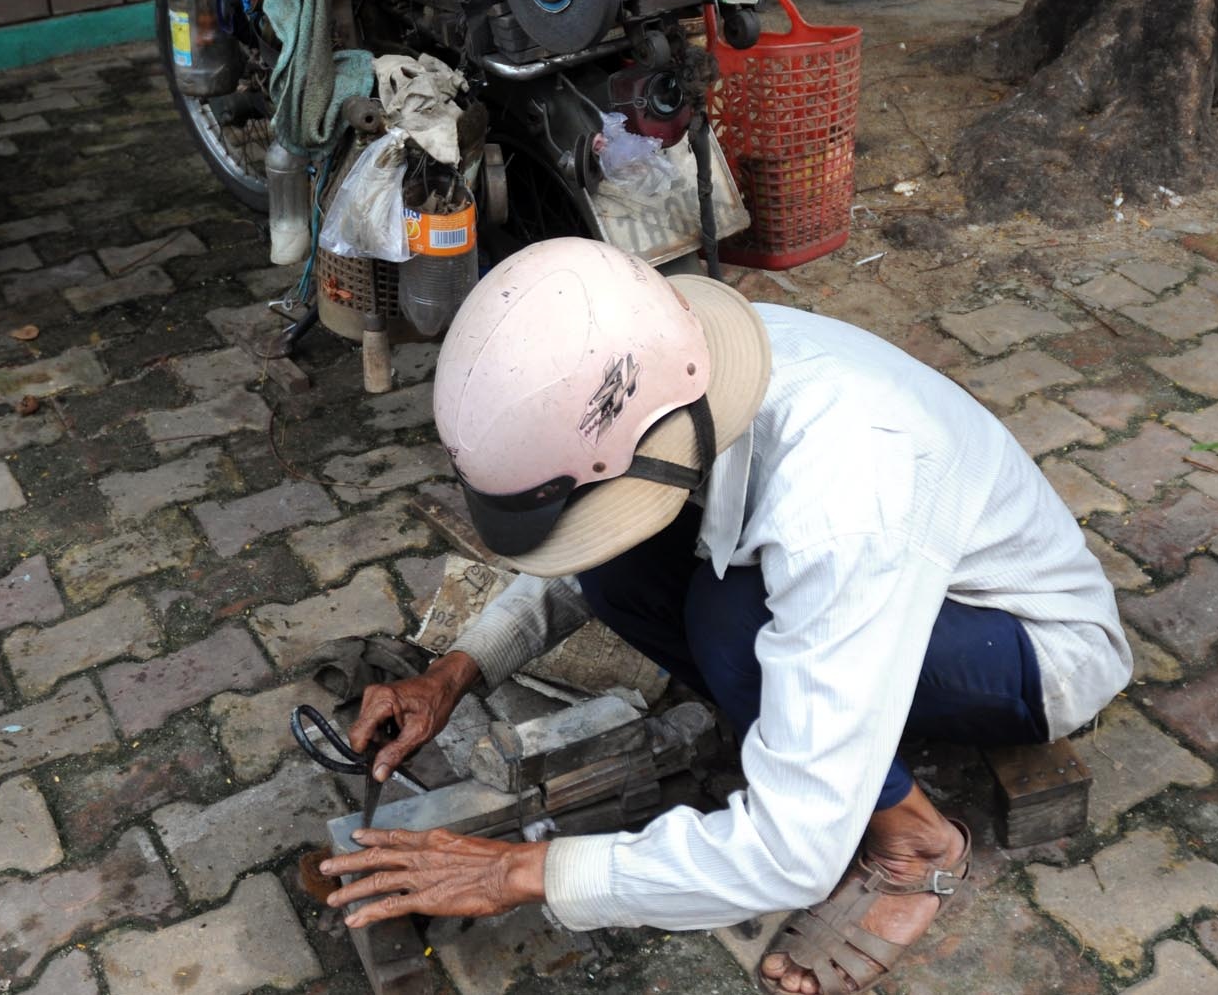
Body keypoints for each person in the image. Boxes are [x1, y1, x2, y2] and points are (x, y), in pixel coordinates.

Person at [318, 240, 1131, 995]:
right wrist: (453, 671)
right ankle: (804, 728)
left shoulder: (843, 491)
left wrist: (520, 872)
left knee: (732, 625)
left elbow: (792, 854)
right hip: (899, 578)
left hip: (1028, 646)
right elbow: (588, 540)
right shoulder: (663, 358)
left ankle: (916, 843)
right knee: (620, 573)